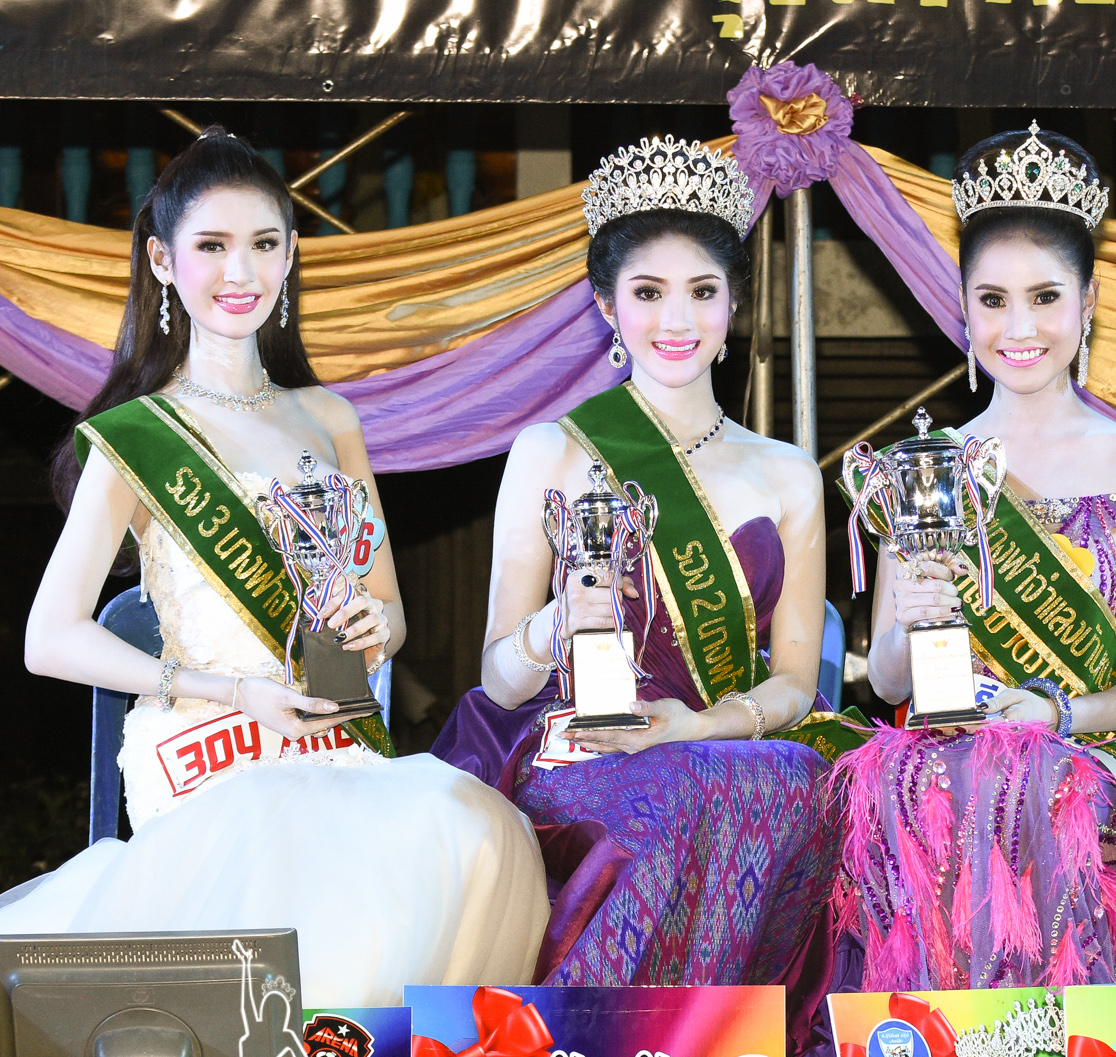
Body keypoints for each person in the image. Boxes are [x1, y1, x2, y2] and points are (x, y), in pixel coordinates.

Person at [2, 128, 548, 1009]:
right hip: (211, 755)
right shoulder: (138, 435)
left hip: (335, 742)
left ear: (291, 255)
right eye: (212, 246)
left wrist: (375, 625)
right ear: (163, 261)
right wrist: (224, 689)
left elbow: (389, 611)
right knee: (317, 888)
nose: (240, 270)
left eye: (263, 243)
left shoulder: (329, 418)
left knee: (474, 832)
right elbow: (48, 638)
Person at [432, 136, 847, 988]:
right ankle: (594, 1045)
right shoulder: (551, 450)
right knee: (676, 794)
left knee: (793, 779)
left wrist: (701, 723)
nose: (677, 320)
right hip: (578, 748)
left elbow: (796, 682)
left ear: (735, 302)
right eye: (649, 293)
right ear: (606, 304)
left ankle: (721, 1046)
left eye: (703, 291)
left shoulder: (788, 473)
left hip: (719, 735)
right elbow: (498, 681)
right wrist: (553, 626)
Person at [827, 125, 1116, 992]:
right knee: (900, 780)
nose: (1019, 326)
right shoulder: (927, 468)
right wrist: (912, 616)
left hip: (1097, 749)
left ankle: (1049, 1051)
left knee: (1023, 777)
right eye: (993, 300)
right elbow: (887, 679)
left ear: (1089, 301)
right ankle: (926, 1053)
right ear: (963, 306)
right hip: (952, 743)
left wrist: (1061, 714)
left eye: (1045, 297)